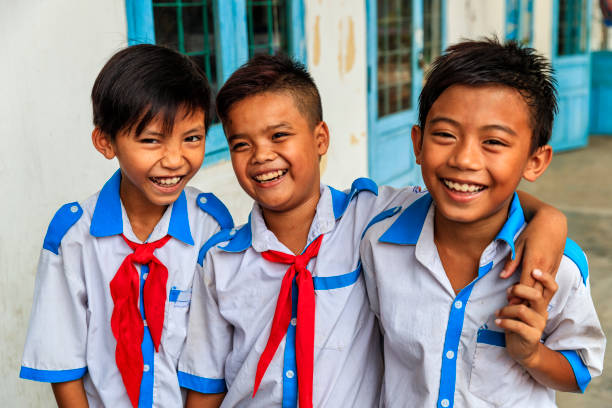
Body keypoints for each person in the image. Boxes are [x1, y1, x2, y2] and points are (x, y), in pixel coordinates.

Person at [178, 53, 569, 408]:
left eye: (279, 136)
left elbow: (464, 197)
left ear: (320, 139)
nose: (262, 155)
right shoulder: (219, 260)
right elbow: (207, 385)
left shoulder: (371, 218)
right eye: (240, 144)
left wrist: (549, 219)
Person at [360, 38, 606, 408]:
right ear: (418, 142)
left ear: (535, 161)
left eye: (493, 142)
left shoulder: (556, 268)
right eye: (444, 135)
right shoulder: (378, 242)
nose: (464, 159)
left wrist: (531, 354)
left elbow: (580, 370)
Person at [19, 44, 233, 408]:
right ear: (106, 142)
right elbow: (63, 361)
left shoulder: (211, 229)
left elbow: (211, 361)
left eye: (192, 138)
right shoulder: (73, 237)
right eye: (151, 140)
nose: (174, 159)